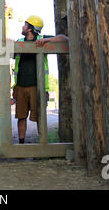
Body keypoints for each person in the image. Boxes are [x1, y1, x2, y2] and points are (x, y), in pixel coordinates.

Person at [12, 15, 68, 144]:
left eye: (25, 25)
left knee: (40, 117)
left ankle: (42, 144)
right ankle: (21, 144)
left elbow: (64, 39)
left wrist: (48, 42)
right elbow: (8, 52)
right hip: (20, 86)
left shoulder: (43, 40)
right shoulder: (20, 41)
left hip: (38, 87)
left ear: (30, 28)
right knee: (21, 117)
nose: (22, 26)